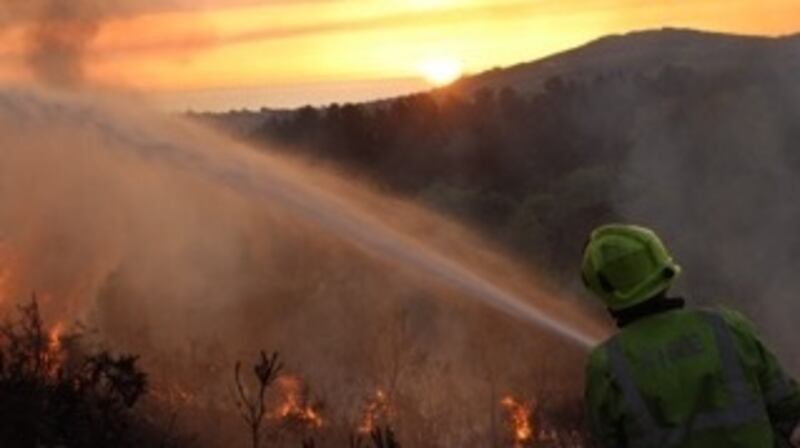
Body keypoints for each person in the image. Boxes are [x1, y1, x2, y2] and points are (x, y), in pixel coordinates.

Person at [581, 224, 800, 447]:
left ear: (604, 293)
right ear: (663, 270)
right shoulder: (727, 327)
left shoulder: (607, 365)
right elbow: (790, 409)